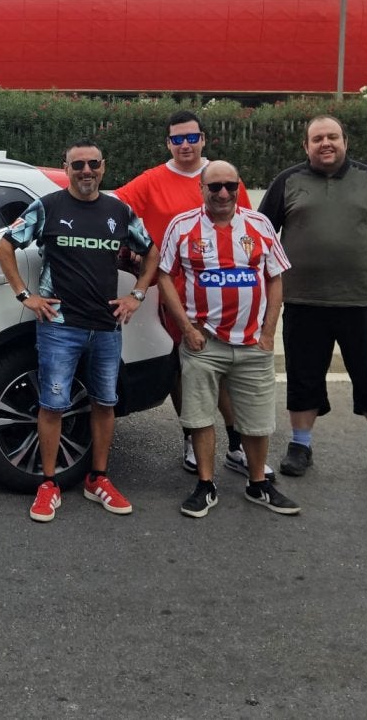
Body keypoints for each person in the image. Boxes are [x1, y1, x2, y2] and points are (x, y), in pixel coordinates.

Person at [0, 138, 157, 523]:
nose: (86, 171)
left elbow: (151, 251)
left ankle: (97, 479)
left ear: (103, 166)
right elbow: (4, 247)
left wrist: (136, 295)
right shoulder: (48, 207)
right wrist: (25, 295)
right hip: (59, 326)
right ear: (65, 168)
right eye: (78, 164)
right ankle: (48, 484)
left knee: (104, 402)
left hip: (105, 326)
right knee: (53, 405)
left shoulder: (118, 211)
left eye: (93, 164)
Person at [257, 115, 367, 491]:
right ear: (306, 146)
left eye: (332, 137)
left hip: (361, 302)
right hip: (302, 301)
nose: (325, 143)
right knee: (303, 375)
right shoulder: (287, 182)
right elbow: (261, 233)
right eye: (317, 138)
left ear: (345, 141)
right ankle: (301, 446)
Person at [113, 110, 261, 478]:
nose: (185, 145)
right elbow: (112, 209)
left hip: (229, 296)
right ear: (168, 143)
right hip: (176, 297)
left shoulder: (224, 178)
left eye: (191, 137)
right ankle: (191, 438)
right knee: (186, 370)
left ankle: (237, 445)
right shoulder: (152, 180)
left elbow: (249, 233)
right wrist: (130, 246)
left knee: (228, 372)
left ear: (203, 139)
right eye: (177, 139)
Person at [157, 160, 299, 518]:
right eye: (215, 186)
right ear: (201, 189)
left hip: (253, 344)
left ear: (238, 187)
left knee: (256, 419)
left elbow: (276, 278)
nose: (223, 193)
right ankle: (205, 485)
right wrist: (187, 329)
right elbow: (163, 276)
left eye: (230, 186)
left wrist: (268, 333)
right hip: (203, 343)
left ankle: (257, 484)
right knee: (200, 416)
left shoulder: (260, 225)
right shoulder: (182, 226)